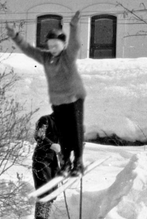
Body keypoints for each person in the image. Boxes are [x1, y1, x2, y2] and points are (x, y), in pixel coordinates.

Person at [6, 12, 87, 175]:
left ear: (62, 45)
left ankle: (78, 162)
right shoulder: (45, 57)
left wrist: (74, 26)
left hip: (74, 97)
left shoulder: (68, 55)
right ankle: (65, 163)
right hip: (58, 100)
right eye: (50, 46)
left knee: (75, 130)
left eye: (56, 46)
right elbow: (29, 50)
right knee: (62, 133)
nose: (52, 49)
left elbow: (75, 43)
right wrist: (15, 37)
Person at [30, 113, 62, 219]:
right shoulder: (46, 120)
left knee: (52, 191)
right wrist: (51, 145)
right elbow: (39, 136)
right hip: (42, 160)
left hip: (54, 162)